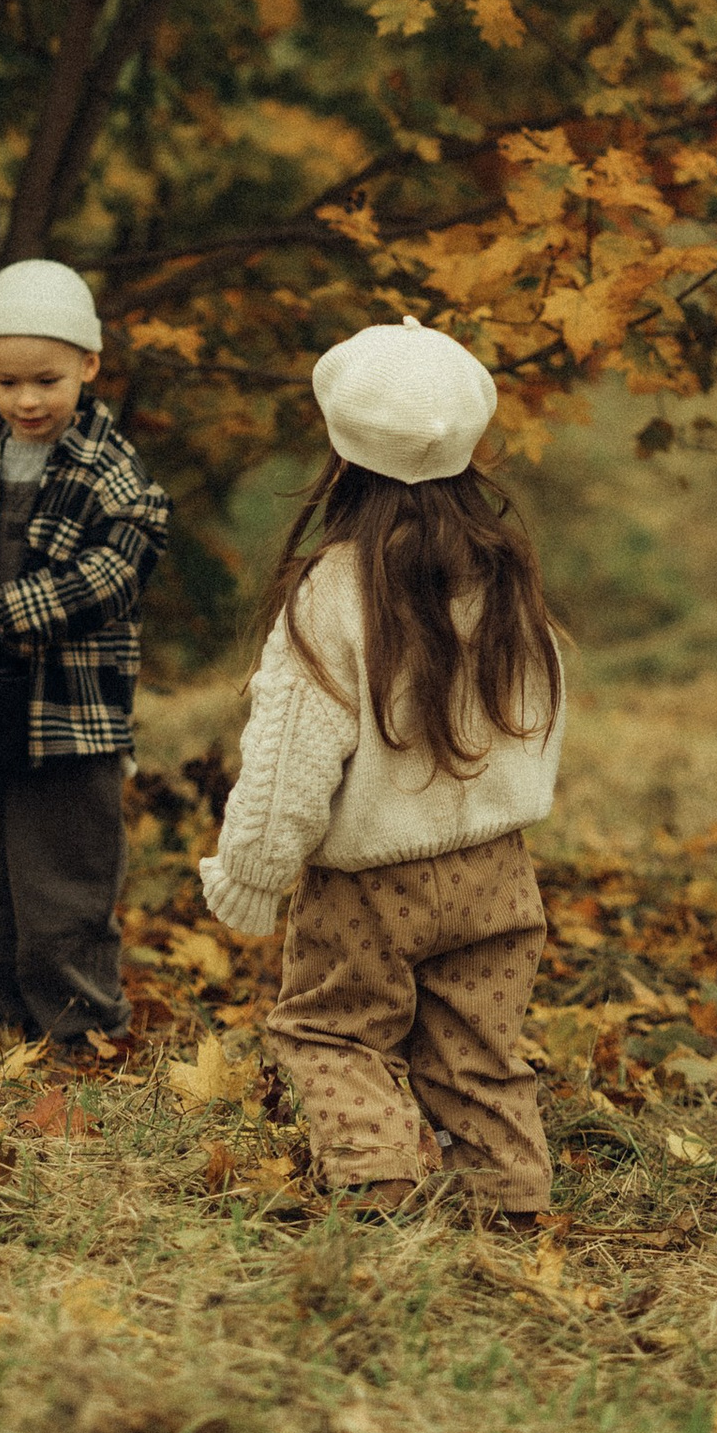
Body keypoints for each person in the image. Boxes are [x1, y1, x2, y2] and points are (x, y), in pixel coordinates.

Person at [198, 317, 566, 1225]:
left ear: (340, 454)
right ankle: (510, 1196)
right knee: (479, 1048)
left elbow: (290, 760)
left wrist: (252, 872)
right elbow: (539, 720)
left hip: (369, 884)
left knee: (331, 1028)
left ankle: (379, 1186)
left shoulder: (330, 590)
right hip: (496, 870)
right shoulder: (507, 576)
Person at [0, 258, 169, 1050]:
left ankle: (80, 1032)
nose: (26, 400)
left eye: (46, 380)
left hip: (68, 717)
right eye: (7, 381)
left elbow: (107, 582)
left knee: (63, 885)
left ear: (89, 365)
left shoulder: (116, 477)